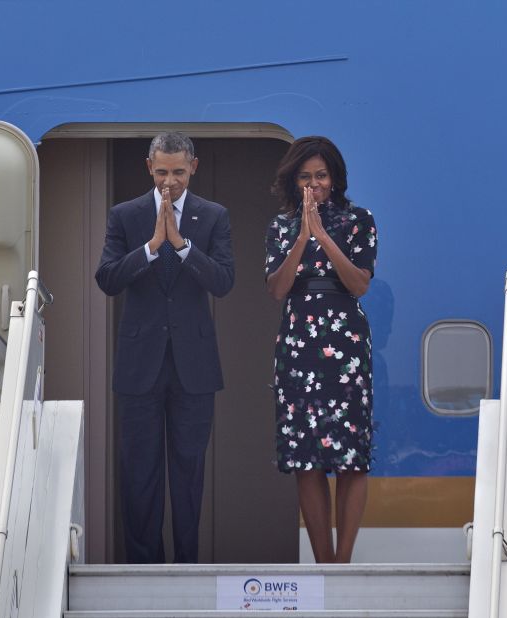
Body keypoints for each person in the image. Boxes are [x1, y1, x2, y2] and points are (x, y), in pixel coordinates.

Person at [95, 132, 235, 563]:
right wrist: (153, 247)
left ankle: (187, 566)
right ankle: (142, 568)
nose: (168, 182)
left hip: (194, 367)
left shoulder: (213, 216)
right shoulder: (126, 215)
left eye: (177, 172)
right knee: (139, 473)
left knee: (189, 473)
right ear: (148, 167)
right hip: (140, 366)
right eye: (161, 172)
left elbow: (223, 282)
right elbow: (108, 279)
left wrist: (182, 245)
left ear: (194, 166)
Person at [264, 136, 378, 563]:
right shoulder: (280, 225)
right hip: (299, 343)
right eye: (306, 177)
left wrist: (324, 236)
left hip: (345, 342)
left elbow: (359, 283)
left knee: (352, 457)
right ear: (294, 181)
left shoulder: (359, 220)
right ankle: (323, 563)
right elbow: (276, 289)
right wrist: (301, 237)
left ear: (336, 177)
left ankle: (344, 561)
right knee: (306, 457)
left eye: (322, 175)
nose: (315, 184)